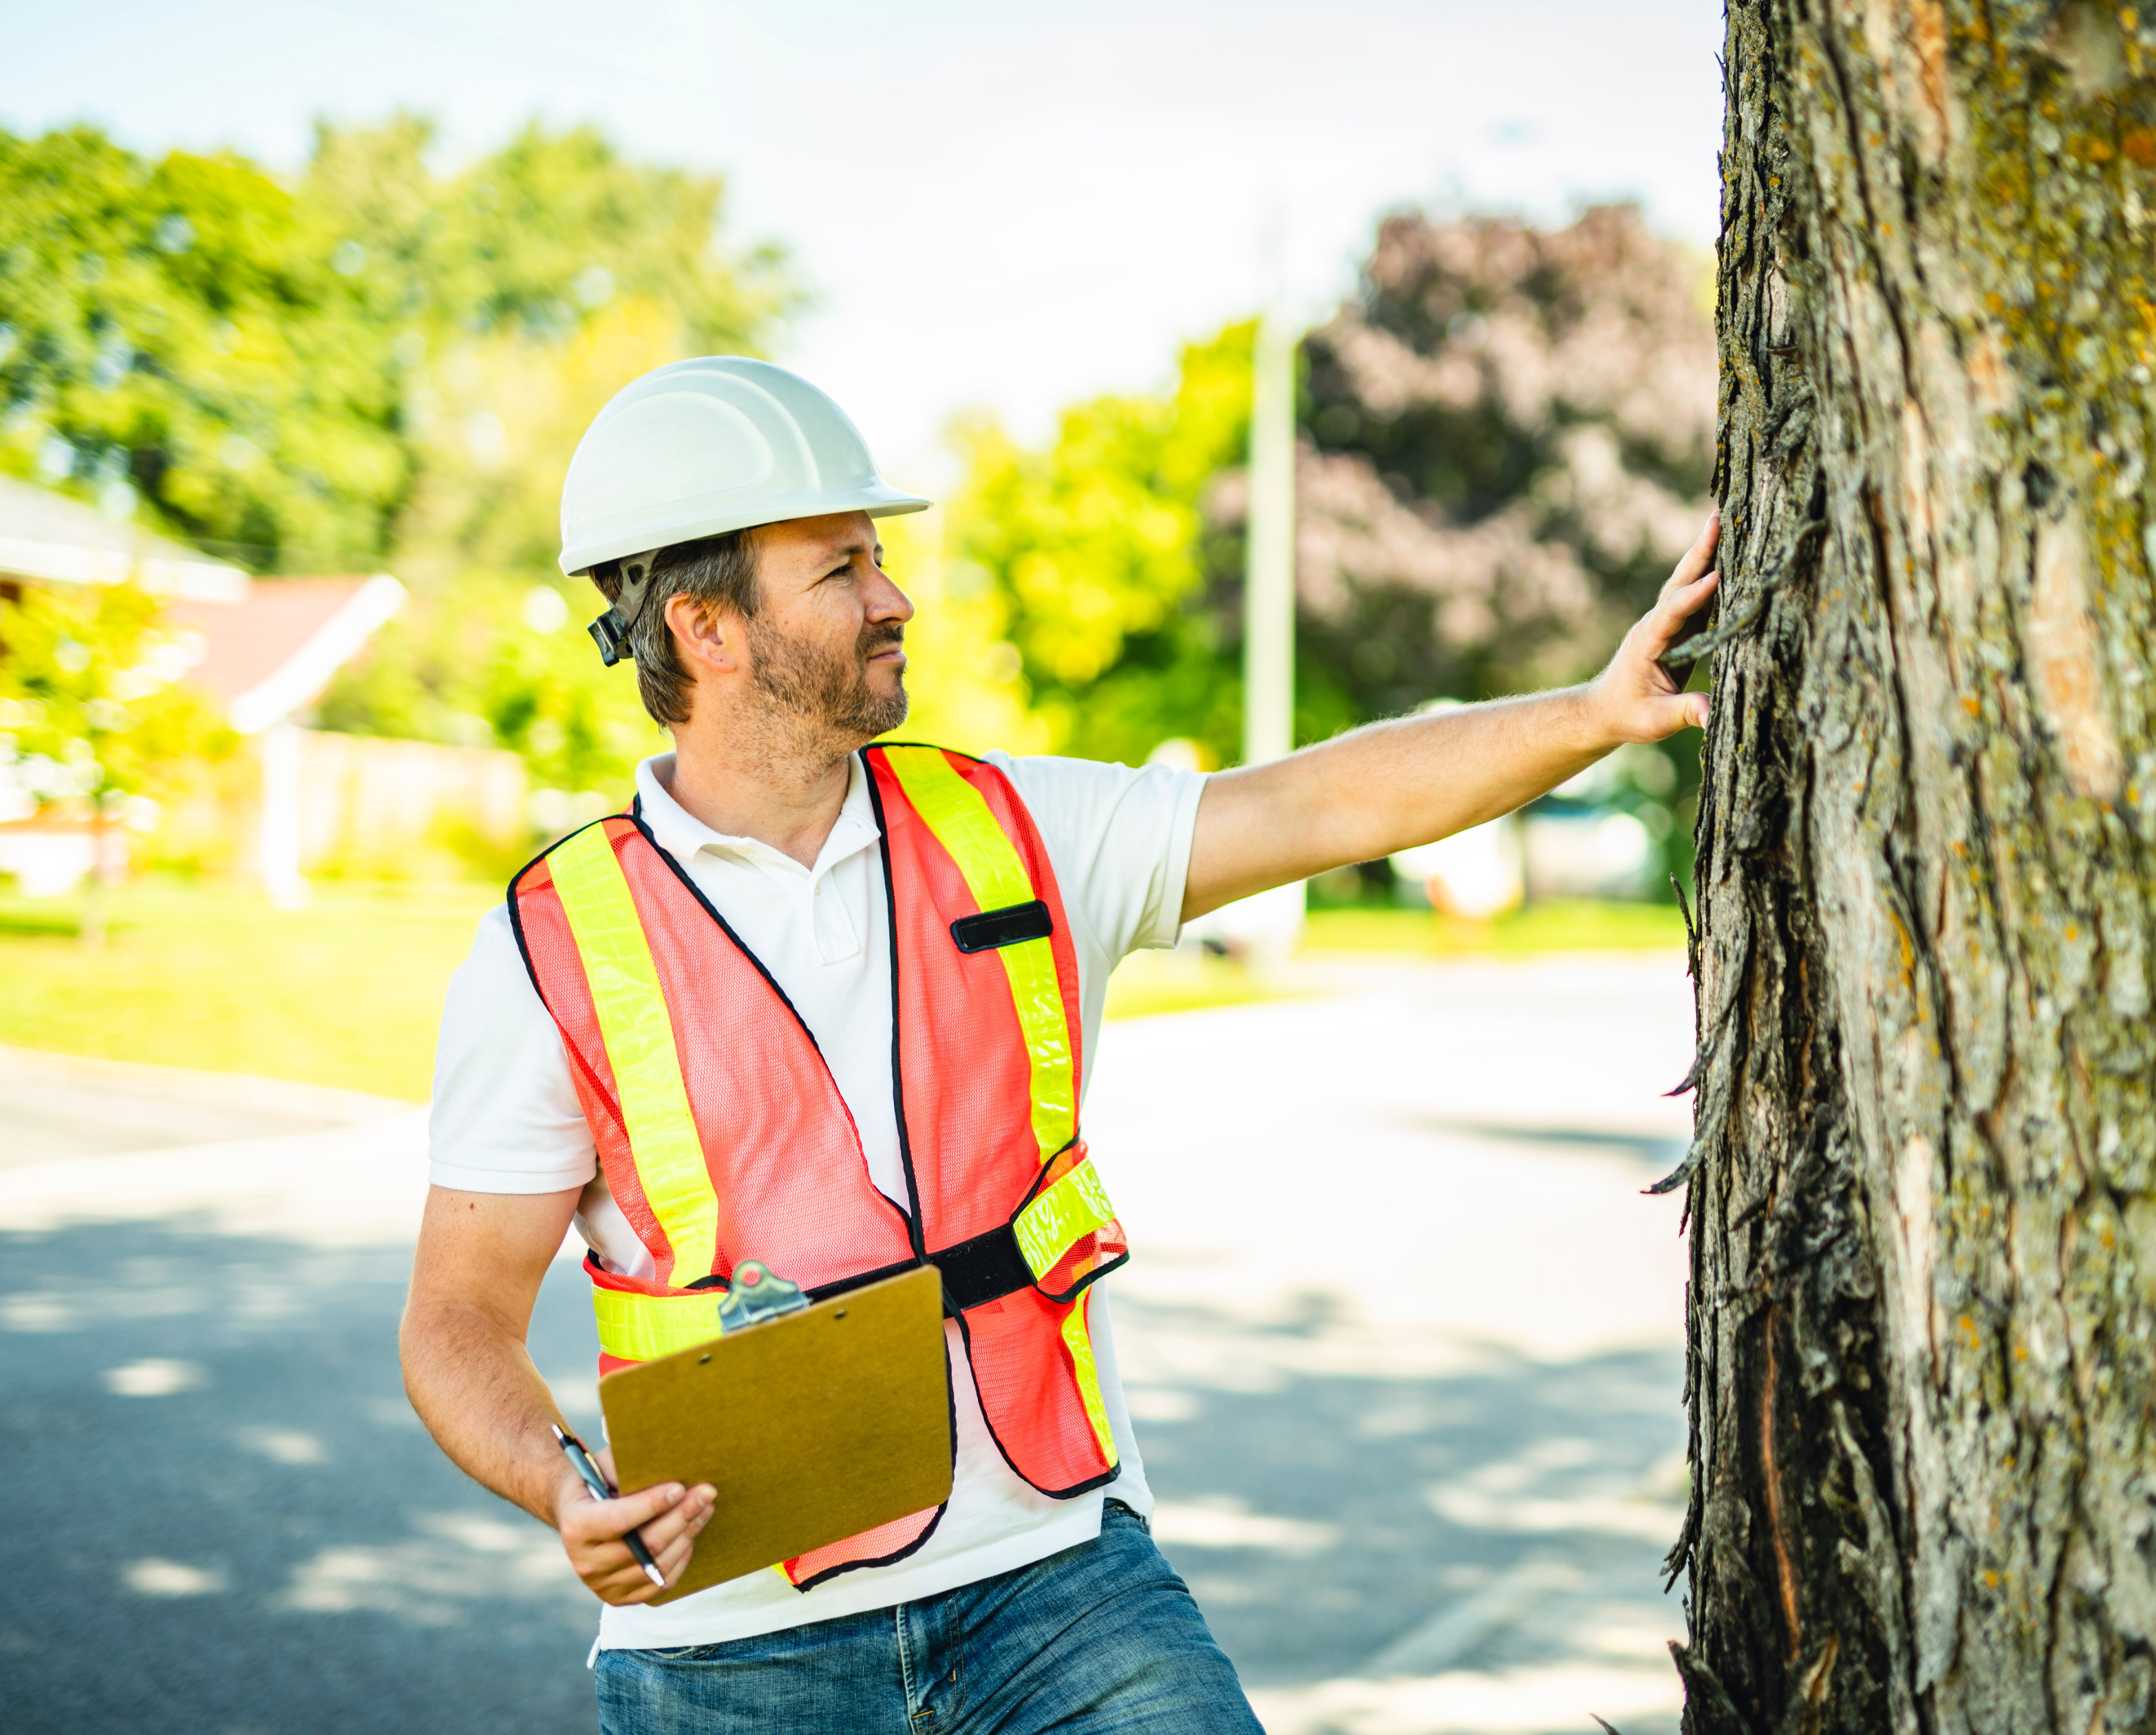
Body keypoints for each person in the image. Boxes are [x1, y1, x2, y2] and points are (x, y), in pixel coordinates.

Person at [401, 355, 1720, 1735]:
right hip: (729, 1653)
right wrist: (563, 1483)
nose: (894, 596)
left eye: (882, 560)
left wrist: (1590, 713)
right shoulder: (551, 943)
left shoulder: (1019, 829)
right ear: (708, 628)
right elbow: (454, 1319)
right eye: (843, 568)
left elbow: (1322, 805)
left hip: (1057, 1586)